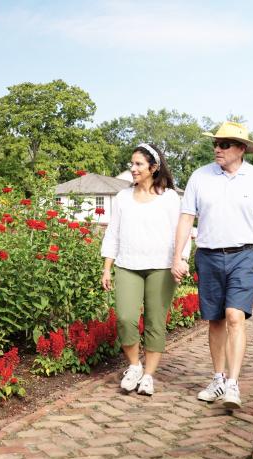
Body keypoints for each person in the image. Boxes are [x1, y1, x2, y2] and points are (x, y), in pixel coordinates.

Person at [171, 121, 253, 409]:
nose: (217, 149)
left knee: (234, 316)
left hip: (244, 255)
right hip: (208, 256)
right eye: (215, 144)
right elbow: (186, 218)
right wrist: (177, 256)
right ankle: (217, 379)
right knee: (215, 320)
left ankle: (232, 383)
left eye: (224, 144)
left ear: (241, 149)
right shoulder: (199, 177)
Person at [100, 143, 184, 396]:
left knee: (155, 323)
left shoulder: (169, 197)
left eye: (138, 164)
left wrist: (181, 261)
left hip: (162, 267)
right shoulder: (123, 197)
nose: (133, 168)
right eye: (132, 164)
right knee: (125, 318)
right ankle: (134, 366)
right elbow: (112, 233)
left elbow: (181, 233)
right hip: (128, 265)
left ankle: (148, 376)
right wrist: (107, 268)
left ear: (154, 167)